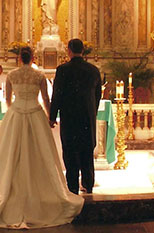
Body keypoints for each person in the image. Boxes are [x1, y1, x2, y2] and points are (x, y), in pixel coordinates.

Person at [0, 47, 83, 229]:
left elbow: (8, 99)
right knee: (39, 153)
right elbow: (46, 99)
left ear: (19, 58)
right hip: (35, 114)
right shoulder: (39, 76)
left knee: (10, 153)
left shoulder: (12, 75)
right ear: (32, 57)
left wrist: (14, 111)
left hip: (15, 114)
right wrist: (50, 117)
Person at [50, 38, 102, 194]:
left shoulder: (63, 70)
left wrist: (52, 116)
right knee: (87, 150)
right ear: (83, 51)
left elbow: (57, 95)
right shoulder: (93, 70)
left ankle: (72, 185)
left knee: (70, 150)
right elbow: (98, 95)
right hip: (87, 116)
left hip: (70, 116)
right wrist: (93, 110)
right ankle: (88, 183)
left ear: (69, 51)